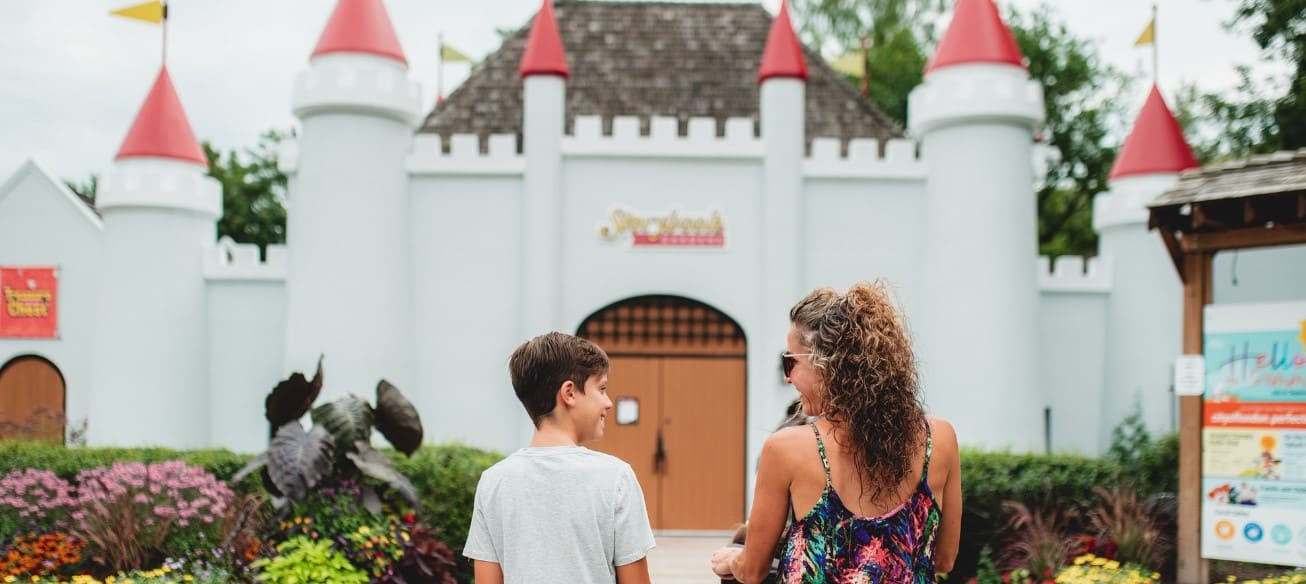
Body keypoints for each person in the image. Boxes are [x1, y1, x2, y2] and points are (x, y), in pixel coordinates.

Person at [712, 283, 962, 583]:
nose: (787, 377)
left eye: (791, 362)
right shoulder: (940, 439)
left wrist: (733, 560)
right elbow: (944, 559)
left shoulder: (786, 450)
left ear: (826, 366)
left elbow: (753, 571)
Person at [464, 332, 655, 584]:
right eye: (602, 389)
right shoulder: (616, 478)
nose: (608, 403)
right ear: (569, 393)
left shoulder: (494, 481)